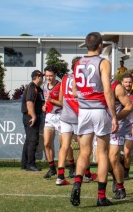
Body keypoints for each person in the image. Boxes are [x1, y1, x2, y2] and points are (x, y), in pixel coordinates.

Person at [70, 32, 118, 207]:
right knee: (102, 153)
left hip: (83, 111)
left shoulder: (77, 64)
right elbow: (107, 90)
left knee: (84, 152)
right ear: (100, 46)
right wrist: (114, 116)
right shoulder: (103, 62)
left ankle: (77, 183)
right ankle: (101, 196)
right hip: (98, 109)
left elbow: (75, 91)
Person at [55, 58, 81, 186]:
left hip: (65, 115)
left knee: (64, 146)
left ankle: (60, 176)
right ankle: (85, 174)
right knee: (84, 147)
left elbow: (61, 99)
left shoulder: (64, 78)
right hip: (79, 115)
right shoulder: (82, 78)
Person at [108, 79, 133, 199]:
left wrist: (115, 118)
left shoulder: (116, 87)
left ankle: (120, 188)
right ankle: (116, 175)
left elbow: (129, 106)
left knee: (113, 159)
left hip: (117, 126)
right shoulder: (94, 87)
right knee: (101, 161)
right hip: (101, 126)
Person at [21, 70, 45, 172]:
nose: (42, 79)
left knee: (29, 140)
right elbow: (29, 102)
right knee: (33, 141)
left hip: (32, 116)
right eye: (41, 77)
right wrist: (34, 116)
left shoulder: (37, 88)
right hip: (30, 116)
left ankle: (25, 163)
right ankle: (30, 164)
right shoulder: (32, 87)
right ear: (37, 77)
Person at [42, 66, 62, 179]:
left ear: (55, 75)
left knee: (63, 145)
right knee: (46, 143)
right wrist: (44, 106)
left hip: (60, 116)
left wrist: (51, 101)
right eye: (47, 75)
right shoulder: (44, 86)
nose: (49, 78)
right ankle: (51, 168)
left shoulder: (60, 86)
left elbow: (62, 103)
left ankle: (69, 167)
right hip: (49, 116)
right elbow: (46, 101)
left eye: (51, 75)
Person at [119, 73, 133, 180]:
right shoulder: (118, 94)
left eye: (130, 82)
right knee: (116, 152)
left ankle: (126, 171)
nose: (128, 84)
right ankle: (120, 163)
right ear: (122, 82)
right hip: (119, 126)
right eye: (126, 82)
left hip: (130, 126)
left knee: (127, 151)